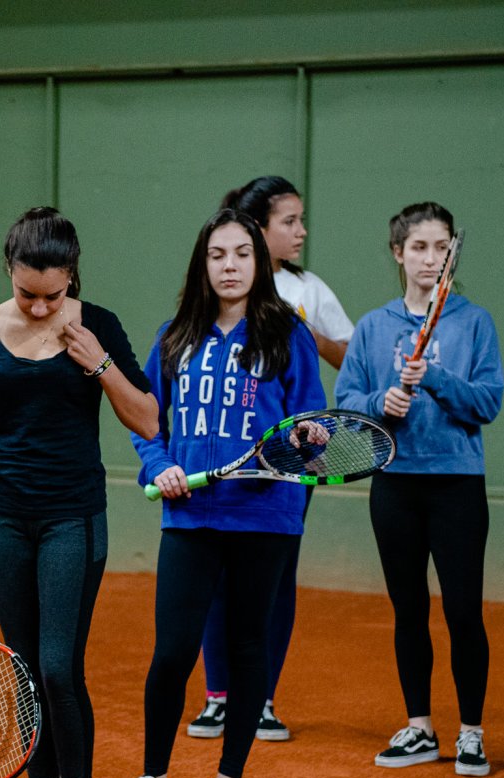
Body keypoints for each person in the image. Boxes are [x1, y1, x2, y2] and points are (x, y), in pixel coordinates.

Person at [112, 208, 325, 778]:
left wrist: (304, 442)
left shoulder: (289, 334)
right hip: (190, 516)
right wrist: (159, 467)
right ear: (202, 264)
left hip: (265, 517)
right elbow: (148, 421)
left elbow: (310, 427)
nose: (229, 266)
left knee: (248, 644)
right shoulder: (175, 335)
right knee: (173, 650)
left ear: (259, 262)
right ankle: (153, 777)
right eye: (217, 255)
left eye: (241, 254)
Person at [0, 208, 157, 778]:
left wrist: (99, 363)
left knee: (58, 668)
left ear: (71, 277)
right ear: (10, 270)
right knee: (26, 673)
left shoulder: (97, 324)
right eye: (27, 292)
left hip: (71, 517)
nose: (39, 306)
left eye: (52, 295)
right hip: (3, 515)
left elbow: (148, 417)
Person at [333, 201, 504, 777]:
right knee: (408, 610)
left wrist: (434, 377)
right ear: (398, 253)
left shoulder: (474, 322)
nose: (431, 259)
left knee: (463, 611)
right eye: (419, 248)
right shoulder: (374, 326)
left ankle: (472, 733)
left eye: (441, 248)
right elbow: (347, 401)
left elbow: (488, 401)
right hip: (394, 485)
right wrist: (381, 401)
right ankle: (420, 727)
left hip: (457, 484)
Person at [186, 176, 357, 744]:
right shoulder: (217, 287)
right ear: (258, 228)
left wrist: (303, 330)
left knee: (273, 581)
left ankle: (259, 700)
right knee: (216, 581)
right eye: (290, 221)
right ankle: (218, 696)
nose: (301, 231)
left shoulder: (308, 290)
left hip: (285, 465)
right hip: (219, 461)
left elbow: (345, 354)